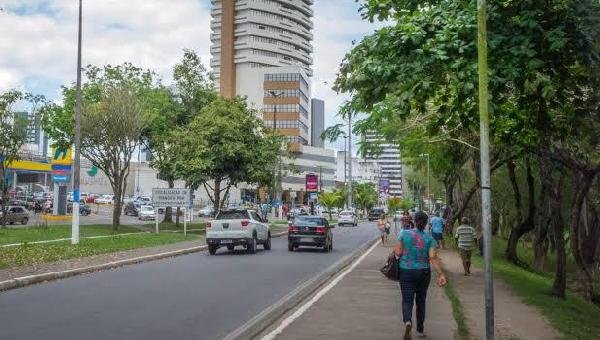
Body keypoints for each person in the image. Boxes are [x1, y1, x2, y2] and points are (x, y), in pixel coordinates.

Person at [394, 211, 447, 339]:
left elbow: (398, 252)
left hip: (406, 271)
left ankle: (407, 321)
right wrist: (441, 274)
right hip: (423, 273)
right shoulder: (430, 238)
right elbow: (433, 257)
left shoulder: (404, 233)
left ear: (414, 220)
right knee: (421, 300)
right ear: (426, 223)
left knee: (407, 300)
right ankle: (420, 329)